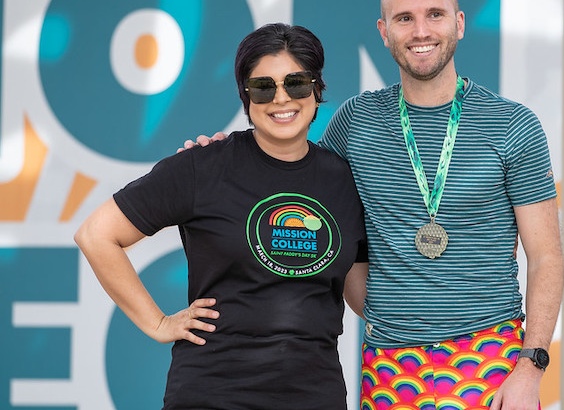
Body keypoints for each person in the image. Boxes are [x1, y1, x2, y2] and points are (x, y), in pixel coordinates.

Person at [187, 0, 564, 410]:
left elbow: (545, 256)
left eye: (435, 15)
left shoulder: (512, 126)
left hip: (492, 359)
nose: (420, 30)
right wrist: (217, 156)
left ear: (459, 24)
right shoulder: (356, 122)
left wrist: (531, 367)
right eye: (404, 18)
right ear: (384, 33)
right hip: (389, 363)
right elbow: (290, 182)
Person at [75, 23, 368, 410]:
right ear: (245, 98)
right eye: (263, 87)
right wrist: (159, 323)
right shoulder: (203, 167)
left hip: (314, 395)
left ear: (317, 90)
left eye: (296, 83)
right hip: (212, 393)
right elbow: (96, 235)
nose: (281, 99)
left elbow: (360, 294)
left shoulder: (345, 181)